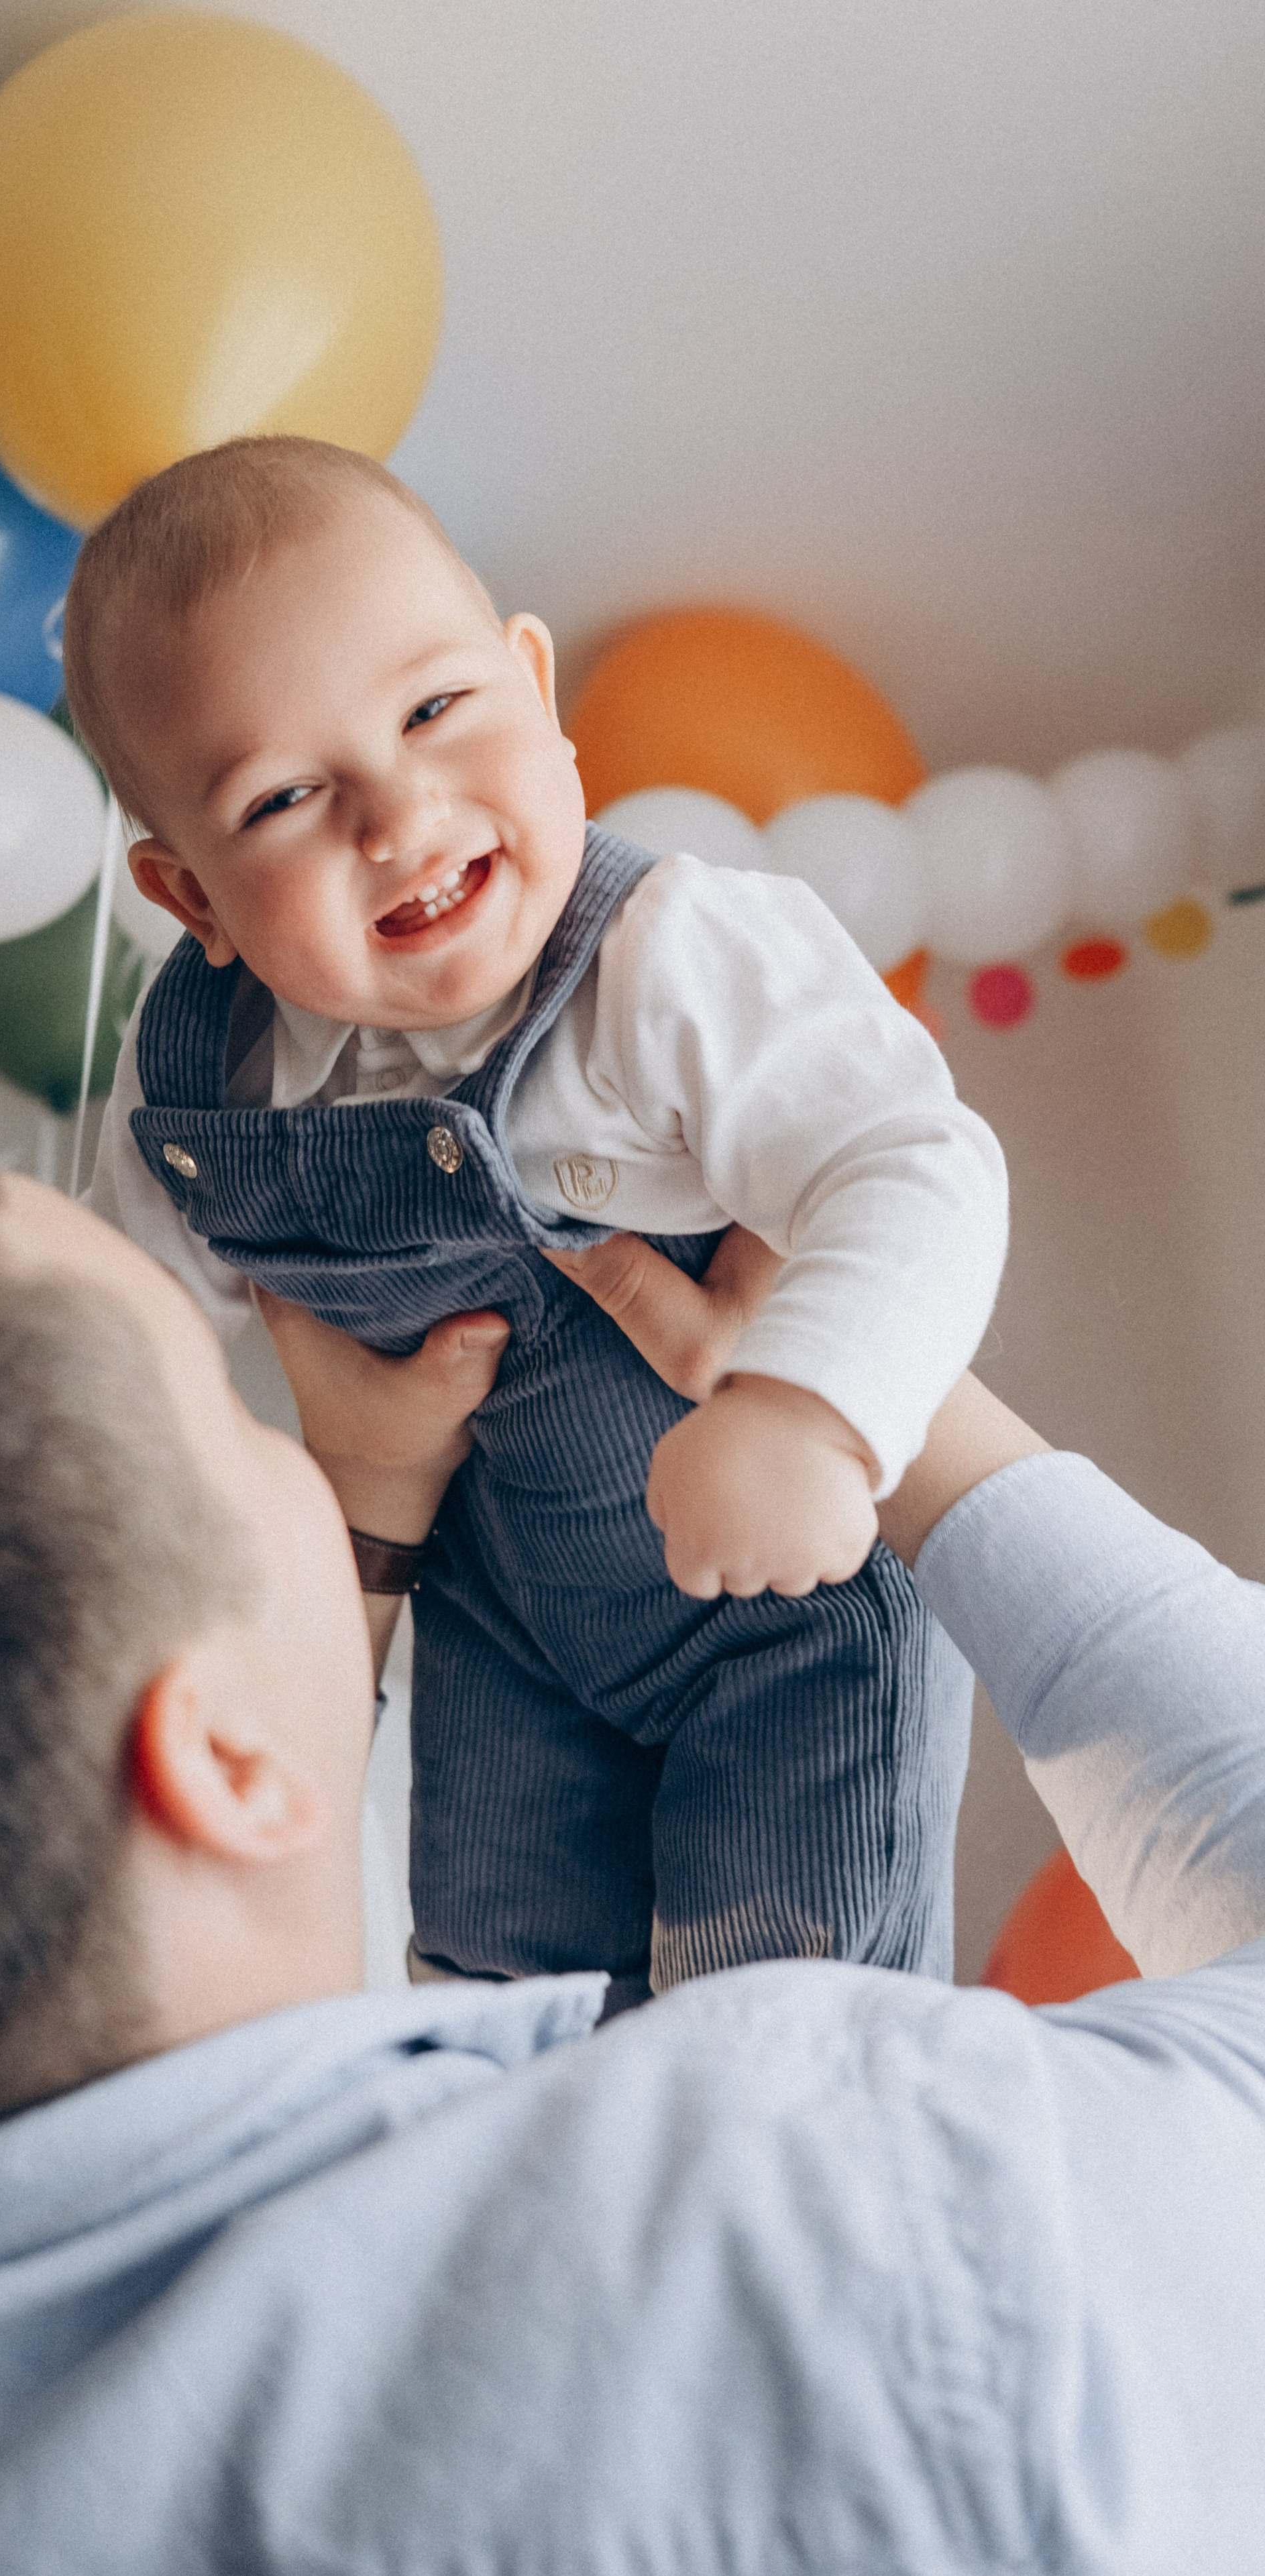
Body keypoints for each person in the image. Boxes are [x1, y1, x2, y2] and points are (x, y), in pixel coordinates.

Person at [0, 1103, 1265, 2573]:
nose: (283, 1448)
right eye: (228, 1416)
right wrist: (873, 1387)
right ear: (217, 1756)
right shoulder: (812, 2229)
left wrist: (364, 1523)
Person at [62, 435, 1009, 2003]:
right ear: (193, 903)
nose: (398, 810)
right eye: (286, 795)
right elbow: (120, 1339)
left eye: (434, 710)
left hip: (784, 1609)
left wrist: (808, 1412)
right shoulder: (204, 1081)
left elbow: (914, 1160)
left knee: (780, 2031)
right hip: (507, 1643)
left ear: (533, 683)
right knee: (508, 2019)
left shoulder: (664, 954)